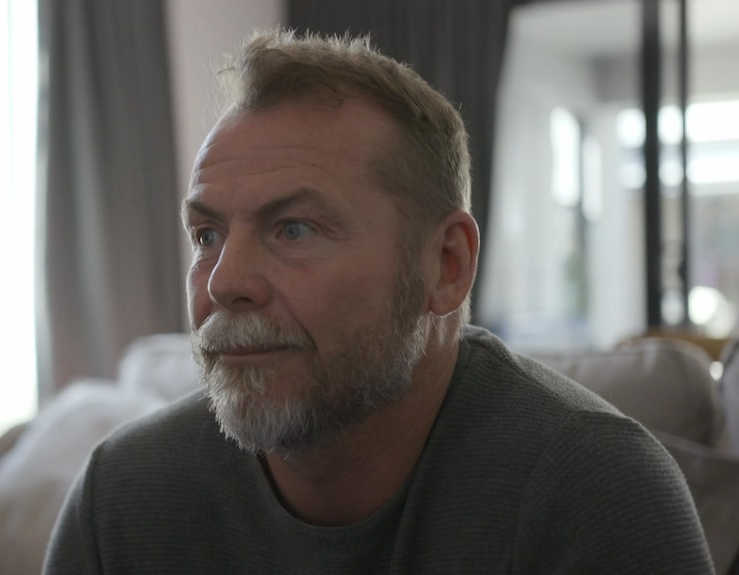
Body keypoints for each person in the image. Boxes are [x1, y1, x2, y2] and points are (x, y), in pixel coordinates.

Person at [44, 29, 714, 574]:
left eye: (294, 228)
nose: (223, 281)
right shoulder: (123, 501)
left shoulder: (594, 494)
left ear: (445, 265)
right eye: (207, 234)